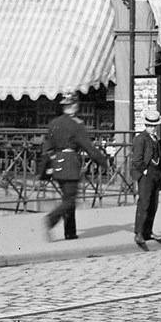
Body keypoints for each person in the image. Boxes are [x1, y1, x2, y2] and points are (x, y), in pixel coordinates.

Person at [39, 92, 112, 243]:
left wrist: (51, 161)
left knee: (67, 198)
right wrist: (103, 162)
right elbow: (88, 147)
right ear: (74, 106)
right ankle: (51, 220)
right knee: (70, 200)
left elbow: (47, 145)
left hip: (57, 164)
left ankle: (70, 232)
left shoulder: (54, 123)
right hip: (70, 164)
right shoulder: (76, 125)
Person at [129, 107, 161, 249]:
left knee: (153, 204)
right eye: (150, 125)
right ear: (146, 125)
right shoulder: (140, 139)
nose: (152, 128)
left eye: (154, 126)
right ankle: (139, 232)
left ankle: (148, 231)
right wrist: (144, 171)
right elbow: (137, 160)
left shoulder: (155, 139)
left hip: (155, 174)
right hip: (146, 174)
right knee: (144, 203)